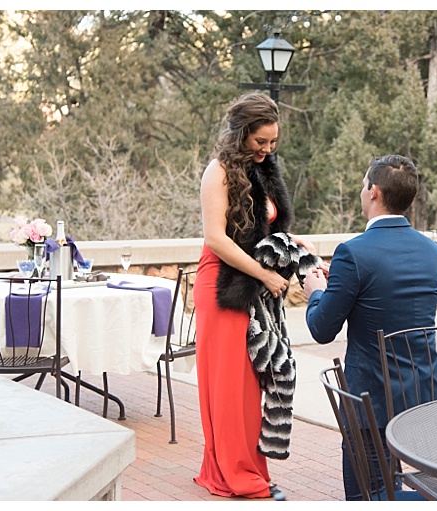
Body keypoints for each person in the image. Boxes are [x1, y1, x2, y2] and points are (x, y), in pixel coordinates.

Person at [194, 92, 317, 500]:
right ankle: (236, 476)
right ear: (241, 133)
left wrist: (296, 248)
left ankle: (246, 469)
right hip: (224, 286)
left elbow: (266, 229)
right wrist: (264, 275)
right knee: (233, 388)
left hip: (254, 284)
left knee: (254, 383)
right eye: (260, 141)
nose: (267, 149)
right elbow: (216, 239)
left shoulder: (263, 170)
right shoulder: (218, 171)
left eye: (273, 142)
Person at [302, 155, 437, 500]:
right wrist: (337, 278)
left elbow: (322, 329)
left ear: (374, 192)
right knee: (395, 484)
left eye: (364, 184)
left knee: (370, 493)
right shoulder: (431, 251)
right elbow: (387, 293)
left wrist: (315, 291)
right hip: (421, 393)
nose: (362, 190)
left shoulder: (353, 253)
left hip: (371, 401)